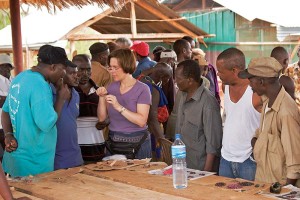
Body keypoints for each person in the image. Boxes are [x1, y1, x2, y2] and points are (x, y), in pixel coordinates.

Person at [1, 45, 75, 177]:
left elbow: (5, 111)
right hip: (33, 164)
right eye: (63, 69)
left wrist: (8, 134)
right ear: (53, 67)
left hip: (15, 159)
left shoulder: (20, 77)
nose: (63, 73)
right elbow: (46, 124)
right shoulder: (40, 85)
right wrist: (60, 99)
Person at [238, 57, 300, 185]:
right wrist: (256, 140)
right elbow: (264, 133)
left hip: (278, 187)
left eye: (251, 80)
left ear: (261, 81)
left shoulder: (286, 111)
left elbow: (294, 164)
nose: (249, 85)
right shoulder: (267, 101)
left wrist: (286, 192)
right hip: (263, 182)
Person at [96, 49, 152, 159]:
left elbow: (141, 121)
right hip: (114, 142)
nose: (112, 71)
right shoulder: (112, 87)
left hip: (138, 142)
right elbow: (102, 119)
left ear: (126, 65)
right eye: (110, 67)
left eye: (115, 68)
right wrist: (101, 98)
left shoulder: (142, 89)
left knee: (138, 176)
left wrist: (118, 107)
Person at [216, 48, 261, 181]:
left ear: (234, 70)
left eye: (220, 71)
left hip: (249, 161)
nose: (218, 74)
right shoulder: (226, 87)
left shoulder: (256, 93)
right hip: (225, 159)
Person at [175, 59, 222, 171]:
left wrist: (205, 174)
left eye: (178, 79)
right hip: (182, 165)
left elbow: (213, 144)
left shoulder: (208, 103)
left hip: (199, 168)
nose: (176, 81)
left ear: (190, 80)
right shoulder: (182, 94)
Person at [74, 54, 106, 162]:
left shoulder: (99, 91)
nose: (85, 74)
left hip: (96, 148)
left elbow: (109, 115)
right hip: (74, 150)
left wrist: (105, 121)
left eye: (88, 70)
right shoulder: (68, 92)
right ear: (73, 69)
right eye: (81, 70)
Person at [52, 61, 83, 170]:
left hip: (75, 156)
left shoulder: (76, 94)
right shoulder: (49, 94)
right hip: (56, 157)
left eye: (77, 73)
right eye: (71, 74)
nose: (76, 77)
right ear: (61, 74)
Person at [0, 54, 14, 160]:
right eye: (2, 66)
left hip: (14, 124)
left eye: (7, 66)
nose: (6, 68)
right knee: (3, 154)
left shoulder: (15, 80)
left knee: (12, 152)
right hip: (1, 125)